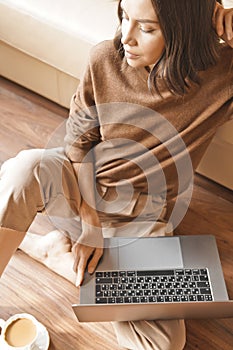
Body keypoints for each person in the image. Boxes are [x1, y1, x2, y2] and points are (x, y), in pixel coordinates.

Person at [0, 0, 232, 349]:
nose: (127, 36)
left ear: (185, 31)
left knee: (163, 343)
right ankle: (88, 261)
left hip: (143, 217)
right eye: (125, 16)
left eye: (147, 28)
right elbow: (78, 143)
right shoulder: (104, 58)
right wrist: (91, 226)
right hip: (82, 187)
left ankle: (53, 253)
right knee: (23, 170)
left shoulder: (222, 75)